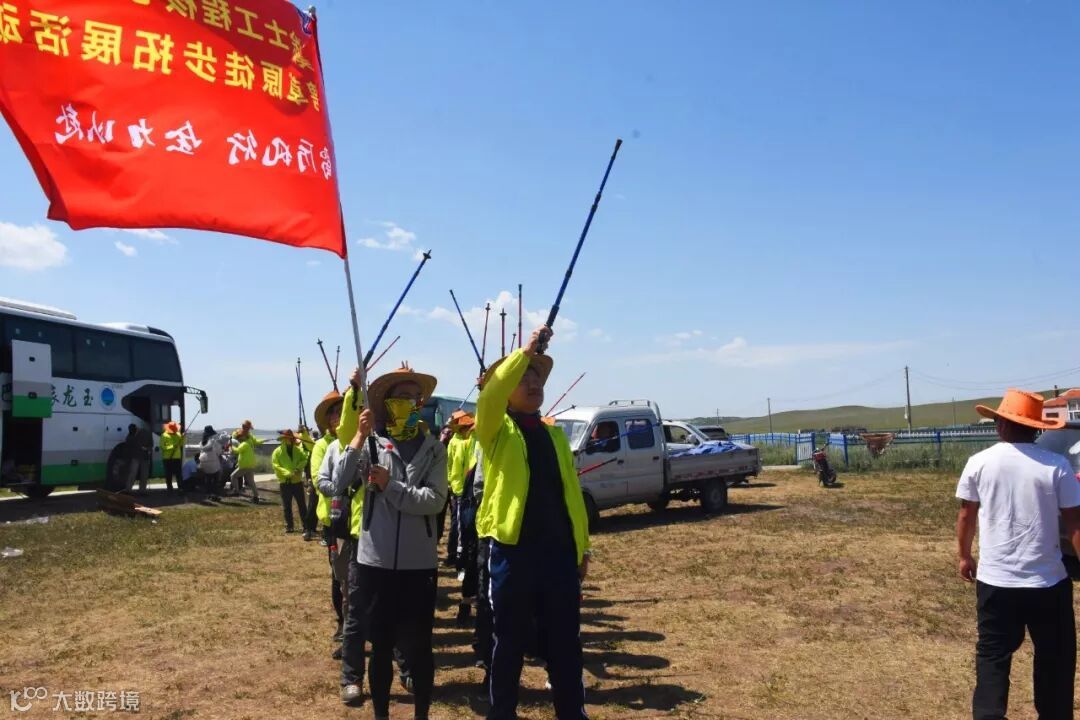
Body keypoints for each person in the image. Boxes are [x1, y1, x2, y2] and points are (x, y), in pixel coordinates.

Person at [475, 326, 591, 720]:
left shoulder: (554, 436)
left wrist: (582, 548)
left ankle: (572, 713)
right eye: (523, 378)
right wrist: (525, 353)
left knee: (565, 643)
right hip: (513, 553)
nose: (533, 383)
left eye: (537, 377)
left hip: (558, 556)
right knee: (508, 642)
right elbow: (489, 395)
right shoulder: (495, 431)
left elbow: (571, 496)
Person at [325, 363, 448, 720]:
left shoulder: (434, 449)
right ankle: (381, 714)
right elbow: (337, 483)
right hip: (373, 563)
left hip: (419, 565)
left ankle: (421, 714)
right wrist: (358, 437)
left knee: (420, 648)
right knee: (379, 647)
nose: (410, 403)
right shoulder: (372, 445)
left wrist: (390, 486)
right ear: (387, 403)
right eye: (402, 397)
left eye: (415, 397)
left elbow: (434, 500)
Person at [956, 388, 1080, 720]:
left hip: (996, 581)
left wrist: (964, 556)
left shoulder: (979, 463)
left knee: (992, 655)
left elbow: (967, 515)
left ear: (1001, 424)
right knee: (1055, 657)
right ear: (1036, 428)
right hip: (1048, 582)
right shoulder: (1056, 465)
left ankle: (989, 715)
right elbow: (1074, 523)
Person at [316, 373, 367, 703]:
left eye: (343, 411)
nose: (339, 418)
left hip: (368, 527)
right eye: (334, 414)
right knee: (346, 588)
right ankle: (350, 650)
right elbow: (322, 481)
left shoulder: (372, 444)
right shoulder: (331, 449)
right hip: (340, 525)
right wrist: (340, 487)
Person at [272, 429, 309, 534]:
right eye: (288, 438)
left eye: (291, 438)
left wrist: (298, 468)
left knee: (302, 505)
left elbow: (304, 459)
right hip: (285, 483)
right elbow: (276, 465)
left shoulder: (298, 450)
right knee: (286, 506)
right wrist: (287, 473)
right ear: (283, 439)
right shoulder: (277, 452)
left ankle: (306, 526)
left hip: (297, 482)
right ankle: (289, 526)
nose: (290, 439)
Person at [230, 426, 260, 503]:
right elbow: (243, 455)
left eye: (239, 437)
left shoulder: (243, 444)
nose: (238, 438)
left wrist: (231, 447)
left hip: (245, 465)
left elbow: (237, 451)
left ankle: (236, 491)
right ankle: (256, 497)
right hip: (250, 464)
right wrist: (238, 463)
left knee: (233, 476)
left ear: (243, 437)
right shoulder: (249, 443)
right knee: (251, 482)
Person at [196, 426, 224, 499]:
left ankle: (208, 494)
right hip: (212, 461)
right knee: (215, 478)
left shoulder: (201, 442)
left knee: (208, 478)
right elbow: (219, 451)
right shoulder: (213, 441)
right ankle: (214, 494)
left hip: (203, 462)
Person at [159, 421, 184, 493]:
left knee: (178, 474)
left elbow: (182, 444)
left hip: (177, 457)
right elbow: (163, 446)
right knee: (168, 474)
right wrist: (172, 446)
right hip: (167, 458)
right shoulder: (164, 435)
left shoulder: (178, 434)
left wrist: (183, 437)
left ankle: (180, 488)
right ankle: (169, 488)